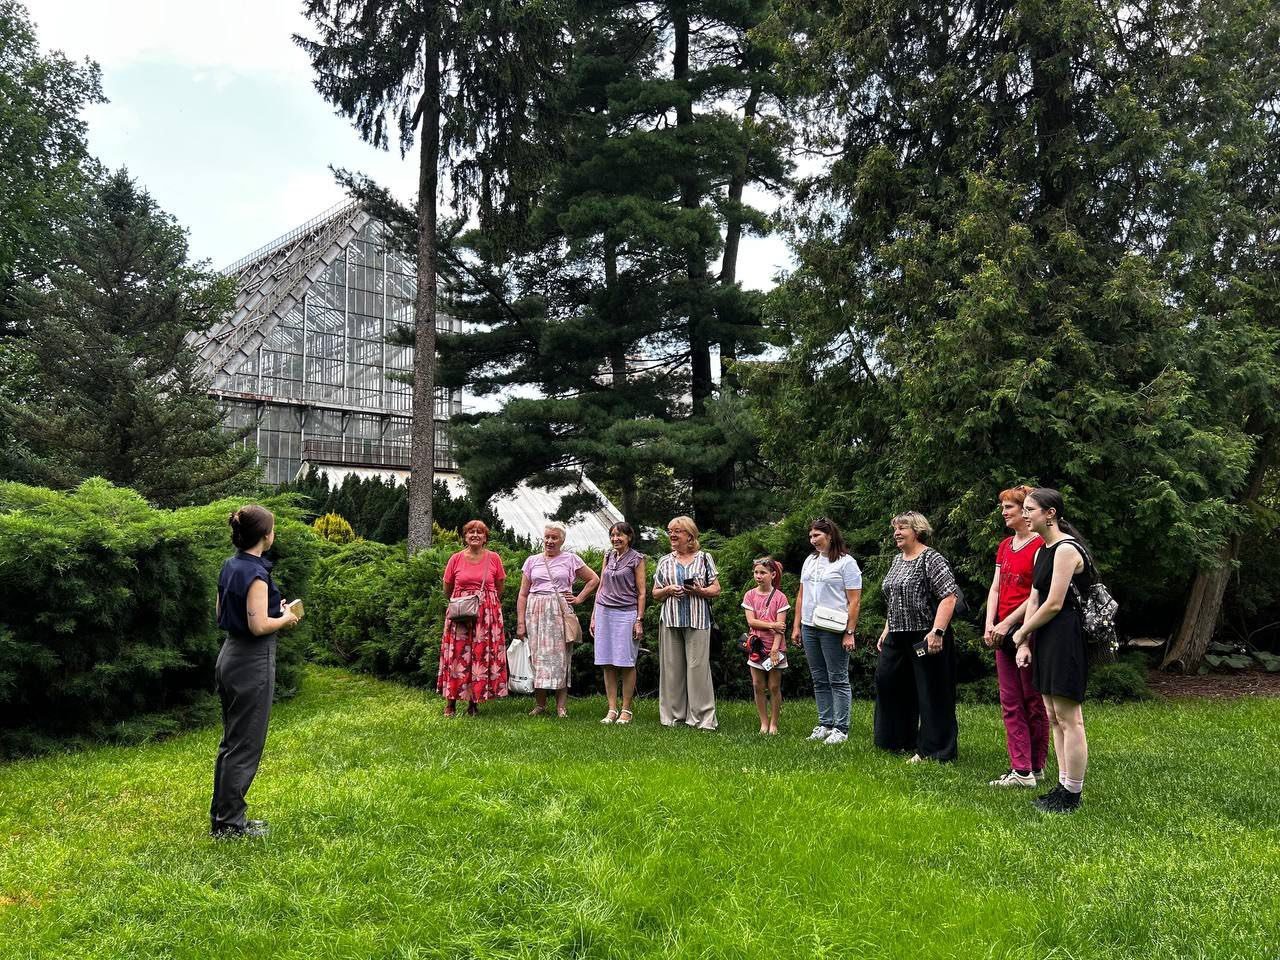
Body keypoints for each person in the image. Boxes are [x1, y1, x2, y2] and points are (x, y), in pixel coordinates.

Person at [210, 505, 300, 839]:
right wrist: (286, 618)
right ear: (265, 536)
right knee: (245, 744)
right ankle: (230, 825)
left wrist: (273, 609)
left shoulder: (230, 566)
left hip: (230, 655)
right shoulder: (257, 574)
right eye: (272, 529)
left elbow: (222, 612)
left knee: (232, 742)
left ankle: (224, 818)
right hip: (251, 660)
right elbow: (259, 626)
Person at [1012, 488, 1093, 813]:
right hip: (1046, 635)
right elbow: (1034, 598)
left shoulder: (1066, 549)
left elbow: (1055, 603)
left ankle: (1073, 793)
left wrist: (1022, 631)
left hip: (1066, 635)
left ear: (1050, 514)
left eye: (1030, 509)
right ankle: (1062, 785)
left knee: (1070, 718)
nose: (1025, 514)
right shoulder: (1041, 551)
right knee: (1053, 716)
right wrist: (1025, 643)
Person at [875, 511, 961, 762]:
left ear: (917, 531)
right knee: (887, 682)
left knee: (931, 691)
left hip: (925, 634)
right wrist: (887, 629)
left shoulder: (931, 558)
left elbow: (949, 596)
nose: (896, 533)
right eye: (895, 528)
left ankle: (935, 750)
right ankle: (897, 741)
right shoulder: (897, 560)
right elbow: (894, 599)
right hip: (896, 634)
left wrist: (937, 632)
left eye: (902, 528)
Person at [983, 485, 1050, 787]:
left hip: (1029, 630)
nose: (1004, 512)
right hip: (1002, 631)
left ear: (1025, 511)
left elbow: (1036, 596)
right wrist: (990, 623)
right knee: (1010, 699)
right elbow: (996, 587)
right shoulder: (1004, 546)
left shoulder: (1040, 546)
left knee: (1032, 701)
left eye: (1009, 507)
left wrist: (1009, 625)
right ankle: (1021, 768)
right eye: (1003, 507)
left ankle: (1035, 766)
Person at [791, 518, 862, 745]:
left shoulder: (846, 563)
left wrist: (849, 632)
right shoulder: (810, 560)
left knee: (838, 678)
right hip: (810, 626)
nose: (813, 540)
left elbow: (854, 601)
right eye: (810, 536)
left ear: (830, 535)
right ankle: (825, 723)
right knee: (819, 678)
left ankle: (841, 728)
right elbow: (801, 595)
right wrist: (797, 625)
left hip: (833, 628)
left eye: (817, 536)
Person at [516, 524, 599, 717]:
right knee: (537, 657)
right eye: (547, 537)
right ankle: (540, 704)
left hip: (559, 611)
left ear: (562, 540)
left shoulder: (571, 559)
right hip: (535, 612)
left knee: (561, 658)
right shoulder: (532, 561)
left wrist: (579, 598)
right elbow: (522, 594)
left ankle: (561, 707)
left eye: (554, 538)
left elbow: (594, 579)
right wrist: (521, 622)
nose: (550, 541)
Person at [652, 516, 722, 730]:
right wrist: (668, 590)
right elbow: (655, 593)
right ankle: (673, 716)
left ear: (690, 536)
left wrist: (699, 590)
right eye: (670, 531)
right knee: (672, 670)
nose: (672, 535)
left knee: (697, 669)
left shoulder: (704, 558)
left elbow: (716, 589)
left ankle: (702, 718)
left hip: (698, 619)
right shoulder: (665, 561)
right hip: (671, 619)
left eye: (677, 531)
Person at [438, 519, 509, 718]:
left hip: (486, 615)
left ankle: (473, 702)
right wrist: (464, 600)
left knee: (479, 656)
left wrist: (487, 603)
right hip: (460, 615)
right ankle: (450, 703)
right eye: (471, 532)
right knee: (457, 655)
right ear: (465, 536)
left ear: (485, 538)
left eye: (480, 532)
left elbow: (499, 586)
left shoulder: (494, 558)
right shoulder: (455, 559)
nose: (475, 535)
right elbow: (447, 588)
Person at [590, 521, 647, 725]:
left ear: (629, 537)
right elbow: (601, 586)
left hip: (626, 613)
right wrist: (594, 615)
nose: (615, 539)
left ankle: (626, 710)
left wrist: (639, 620)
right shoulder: (608, 556)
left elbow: (642, 593)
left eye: (620, 535)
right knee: (607, 662)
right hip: (604, 611)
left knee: (626, 662)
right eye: (612, 535)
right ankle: (612, 709)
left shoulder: (637, 559)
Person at [742, 556, 790, 735]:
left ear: (773, 574)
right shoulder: (750, 595)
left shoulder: (780, 598)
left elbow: (781, 628)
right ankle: (763, 722)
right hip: (756, 648)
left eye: (763, 572)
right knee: (757, 685)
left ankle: (774, 724)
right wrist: (772, 625)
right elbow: (751, 621)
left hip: (775, 648)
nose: (758, 576)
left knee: (774, 686)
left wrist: (775, 649)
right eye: (756, 572)